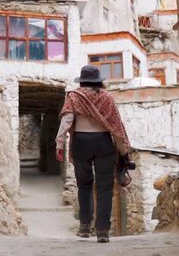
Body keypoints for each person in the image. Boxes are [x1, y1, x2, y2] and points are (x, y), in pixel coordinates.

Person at [55, 65, 130, 243]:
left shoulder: (74, 96)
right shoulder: (107, 97)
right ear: (98, 80)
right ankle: (103, 230)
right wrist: (123, 152)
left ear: (82, 80)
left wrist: (59, 143)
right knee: (104, 187)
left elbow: (67, 120)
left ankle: (85, 227)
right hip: (103, 143)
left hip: (81, 143)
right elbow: (116, 126)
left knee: (84, 185)